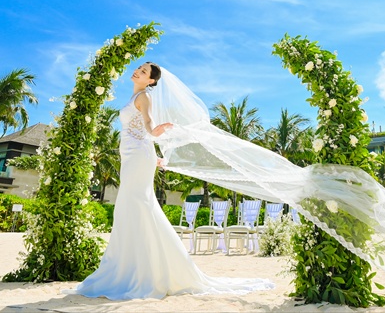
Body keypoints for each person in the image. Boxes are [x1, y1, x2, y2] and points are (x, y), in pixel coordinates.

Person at [65, 62, 275, 300]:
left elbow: (148, 126)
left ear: (151, 81)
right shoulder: (134, 96)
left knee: (135, 204)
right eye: (139, 68)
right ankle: (136, 265)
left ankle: (144, 269)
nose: (138, 71)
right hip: (134, 156)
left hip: (139, 155)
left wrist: (155, 133)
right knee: (134, 206)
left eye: (144, 72)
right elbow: (137, 130)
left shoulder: (144, 97)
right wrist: (151, 154)